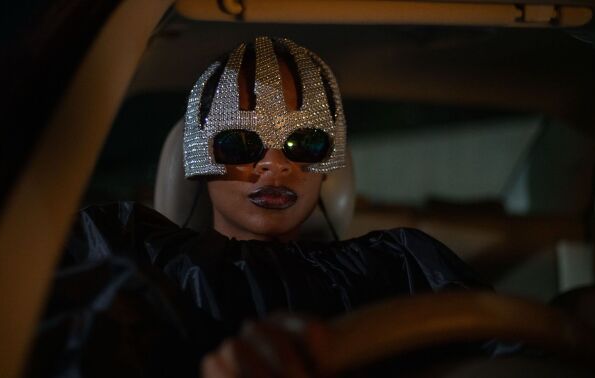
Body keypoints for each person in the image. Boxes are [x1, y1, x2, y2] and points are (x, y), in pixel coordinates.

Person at [28, 37, 490, 378]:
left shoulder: (402, 267)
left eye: (305, 143)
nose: (274, 165)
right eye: (239, 143)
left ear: (329, 165)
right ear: (198, 158)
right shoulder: (122, 250)